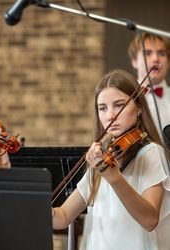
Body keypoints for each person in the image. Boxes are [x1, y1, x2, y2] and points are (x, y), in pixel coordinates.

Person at [52, 69, 170, 250]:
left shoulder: (150, 153)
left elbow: (149, 220)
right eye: (102, 108)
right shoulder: (100, 158)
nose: (110, 115)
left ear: (138, 107)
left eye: (119, 105)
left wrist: (114, 178)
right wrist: (37, 207)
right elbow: (64, 216)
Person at [128, 32, 170, 132]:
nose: (156, 59)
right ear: (134, 61)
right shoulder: (125, 99)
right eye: (147, 53)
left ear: (168, 62)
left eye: (162, 53)